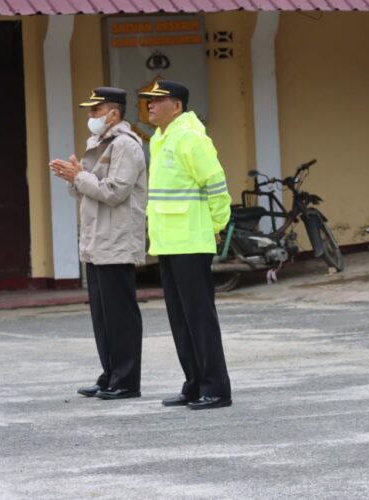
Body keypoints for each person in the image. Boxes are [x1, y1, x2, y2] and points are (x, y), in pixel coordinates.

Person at [138, 80, 233, 410]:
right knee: (180, 318)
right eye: (147, 101)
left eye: (156, 100)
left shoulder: (191, 137)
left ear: (176, 106)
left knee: (199, 317)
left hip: (192, 242)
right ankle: (194, 383)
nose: (149, 105)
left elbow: (216, 185)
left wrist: (217, 226)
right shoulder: (161, 139)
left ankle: (216, 388)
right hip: (168, 243)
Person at [50, 87, 147, 400]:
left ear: (113, 114)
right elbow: (87, 190)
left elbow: (114, 191)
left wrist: (79, 177)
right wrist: (74, 177)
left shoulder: (126, 145)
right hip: (96, 239)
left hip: (116, 239)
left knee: (120, 314)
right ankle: (109, 375)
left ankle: (127, 381)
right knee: (102, 316)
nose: (90, 117)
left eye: (96, 110)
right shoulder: (98, 143)